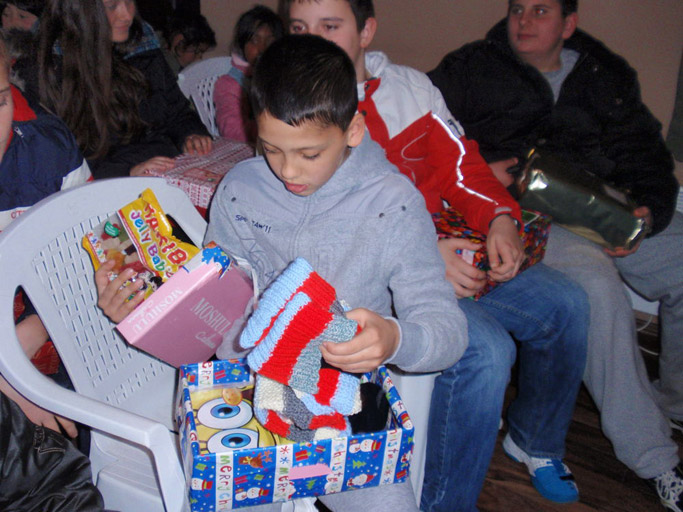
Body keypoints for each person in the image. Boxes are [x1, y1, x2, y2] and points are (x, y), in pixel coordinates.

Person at [99, 33, 467, 510]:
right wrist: (147, 305)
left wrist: (395, 338)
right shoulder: (241, 187)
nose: (288, 170)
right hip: (246, 397)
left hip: (342, 410)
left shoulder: (392, 205)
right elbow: (217, 302)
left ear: (353, 130)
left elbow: (447, 330)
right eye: (271, 148)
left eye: (309, 154)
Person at [285, 0, 588, 509]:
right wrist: (423, 253)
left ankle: (533, 440)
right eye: (299, 29)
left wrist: (500, 218)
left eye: (329, 26)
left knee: (567, 303)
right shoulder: (293, 106)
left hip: (446, 251)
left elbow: (462, 164)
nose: (313, 41)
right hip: (380, 280)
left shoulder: (410, 91)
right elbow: (323, 226)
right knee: (487, 354)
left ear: (367, 31)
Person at [427, 1, 683, 510]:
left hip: (610, 209)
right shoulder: (472, 65)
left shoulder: (603, 72)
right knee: (597, 290)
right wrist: (480, 170)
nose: (523, 20)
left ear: (568, 23)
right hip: (527, 215)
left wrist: (648, 210)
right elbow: (427, 137)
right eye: (518, 8)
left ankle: (672, 401)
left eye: (540, 10)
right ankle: (655, 455)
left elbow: (647, 152)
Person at [0, 35, 103, 511]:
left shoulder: (47, 147)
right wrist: (12, 387)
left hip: (48, 335)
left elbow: (92, 253)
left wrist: (36, 331)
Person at [38, 0, 213, 179]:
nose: (127, 15)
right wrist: (125, 172)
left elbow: (178, 111)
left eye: (129, 2)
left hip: (164, 165)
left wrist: (191, 135)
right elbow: (63, 160)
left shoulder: (142, 44)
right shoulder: (52, 68)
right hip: (106, 186)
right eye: (112, 6)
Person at [214, 4, 284, 144]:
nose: (262, 48)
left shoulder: (282, 77)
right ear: (242, 44)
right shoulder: (229, 85)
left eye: (269, 41)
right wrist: (273, 129)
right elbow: (231, 130)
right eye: (254, 40)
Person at [160, 9, 216, 77]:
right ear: (180, 45)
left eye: (202, 52)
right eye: (197, 51)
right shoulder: (163, 68)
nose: (199, 58)